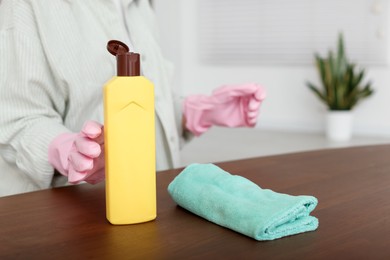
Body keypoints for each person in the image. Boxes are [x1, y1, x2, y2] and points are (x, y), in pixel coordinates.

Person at [0, 0, 266, 197]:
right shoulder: (27, 6)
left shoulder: (141, 8)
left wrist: (197, 111)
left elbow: (146, 105)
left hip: (155, 198)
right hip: (76, 215)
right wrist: (64, 150)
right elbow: (17, 117)